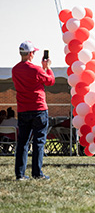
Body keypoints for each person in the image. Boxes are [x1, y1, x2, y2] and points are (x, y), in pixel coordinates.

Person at [12, 41, 55, 180]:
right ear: (31, 54)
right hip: (38, 109)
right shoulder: (36, 69)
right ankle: (37, 173)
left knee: (22, 142)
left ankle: (20, 174)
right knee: (39, 142)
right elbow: (50, 81)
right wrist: (47, 68)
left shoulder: (15, 70)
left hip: (23, 109)